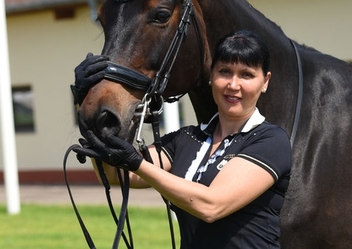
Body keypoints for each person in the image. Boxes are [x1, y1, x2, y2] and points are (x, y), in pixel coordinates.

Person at [74, 30, 292, 249]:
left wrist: (136, 162)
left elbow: (212, 205)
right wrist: (89, 103)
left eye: (246, 74)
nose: (233, 85)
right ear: (211, 75)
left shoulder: (271, 141)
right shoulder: (187, 138)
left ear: (265, 81)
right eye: (224, 72)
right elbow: (118, 175)